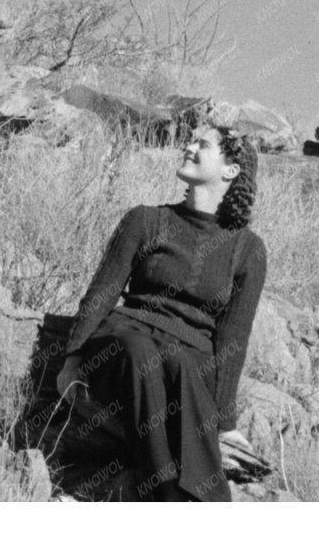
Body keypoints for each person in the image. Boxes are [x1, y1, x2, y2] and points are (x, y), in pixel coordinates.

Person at [51, 123, 267, 501]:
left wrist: (225, 421)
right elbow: (102, 292)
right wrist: (71, 358)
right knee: (141, 351)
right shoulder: (146, 220)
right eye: (191, 140)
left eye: (202, 144)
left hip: (186, 358)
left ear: (230, 170)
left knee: (181, 363)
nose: (188, 147)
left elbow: (233, 337)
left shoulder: (248, 249)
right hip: (124, 339)